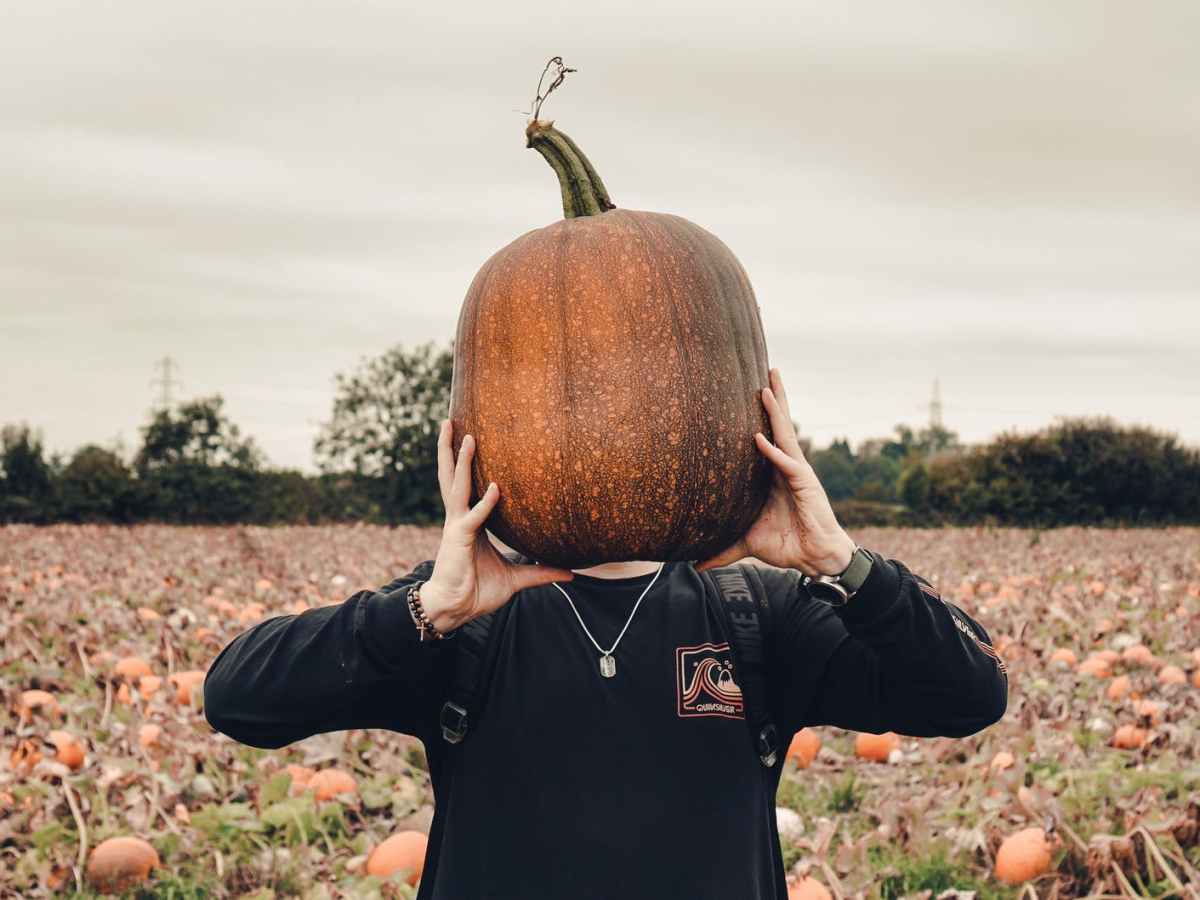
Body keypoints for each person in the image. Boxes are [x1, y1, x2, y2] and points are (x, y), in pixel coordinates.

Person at [203, 367, 1008, 900]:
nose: (609, 435)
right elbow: (238, 698)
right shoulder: (460, 624)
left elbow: (969, 693)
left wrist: (841, 561)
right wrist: (426, 610)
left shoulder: (763, 615)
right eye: (572, 410)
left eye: (641, 409)